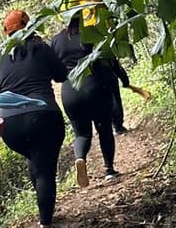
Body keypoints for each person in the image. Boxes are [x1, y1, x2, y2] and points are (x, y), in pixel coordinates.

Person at [0, 10, 68, 228]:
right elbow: (61, 75)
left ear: (6, 32)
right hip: (43, 116)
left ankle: (45, 212)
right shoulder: (40, 48)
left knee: (35, 161)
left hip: (10, 126)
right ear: (29, 26)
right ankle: (46, 227)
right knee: (44, 171)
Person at [51, 14, 128, 186]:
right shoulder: (93, 35)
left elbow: (54, 72)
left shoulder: (56, 40)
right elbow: (111, 61)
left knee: (81, 134)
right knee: (104, 130)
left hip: (70, 91)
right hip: (95, 85)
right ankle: (109, 170)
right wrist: (124, 79)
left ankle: (80, 159)